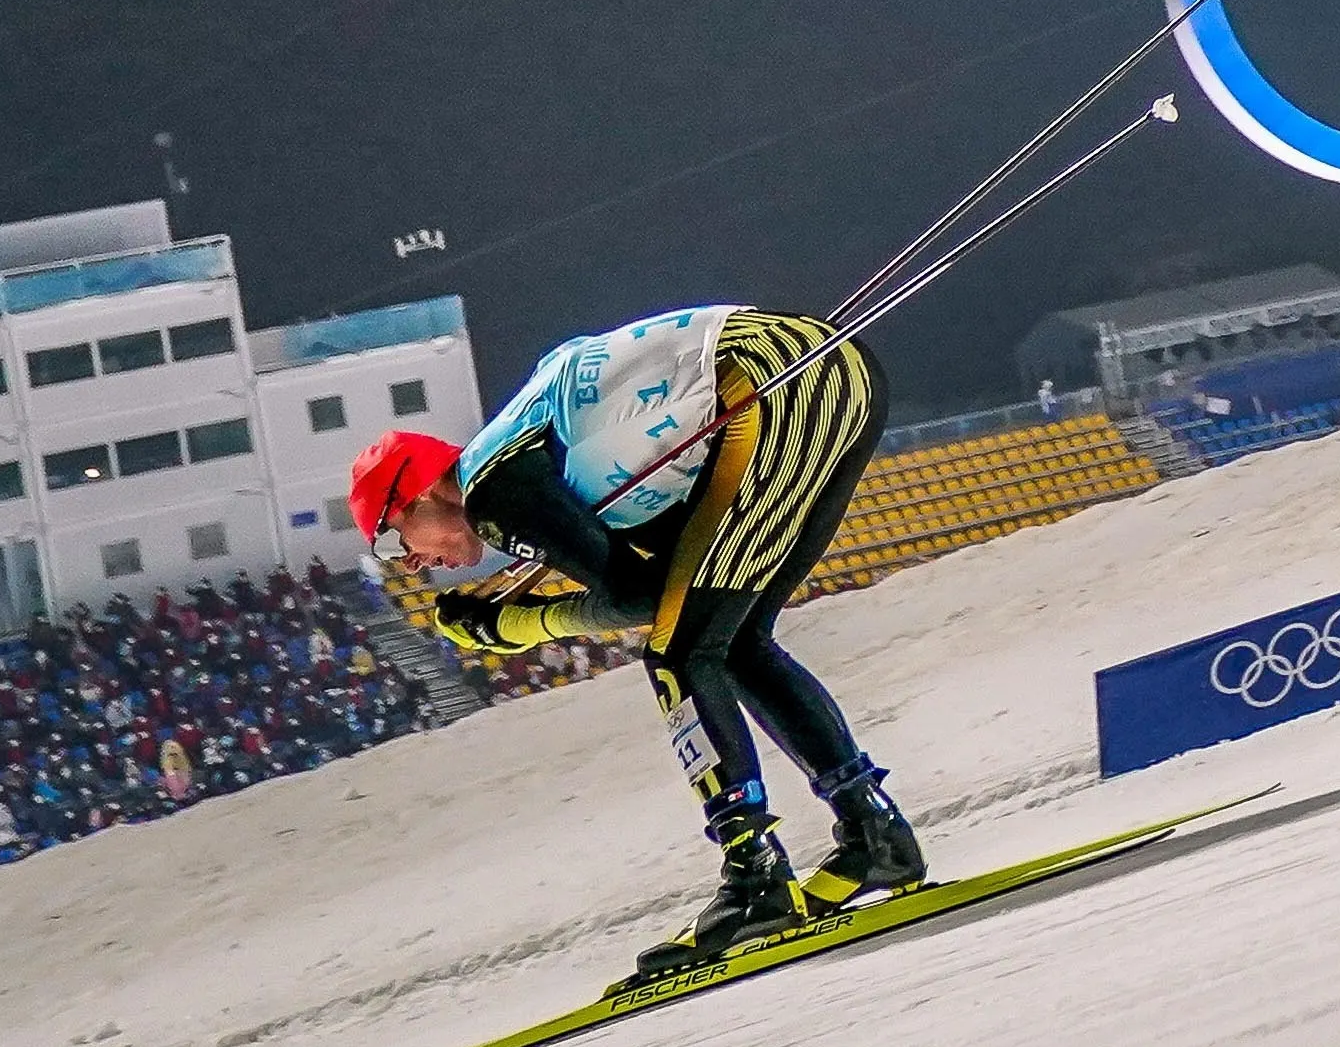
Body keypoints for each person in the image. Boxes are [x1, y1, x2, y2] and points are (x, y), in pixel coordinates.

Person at [353, 304, 923, 984]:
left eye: (394, 543)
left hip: (763, 384)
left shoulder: (490, 486)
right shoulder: (527, 450)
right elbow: (654, 568)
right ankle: (873, 833)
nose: (411, 565)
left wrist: (518, 627)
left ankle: (754, 876)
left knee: (679, 651)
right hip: (826, 368)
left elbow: (640, 602)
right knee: (727, 640)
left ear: (416, 495)